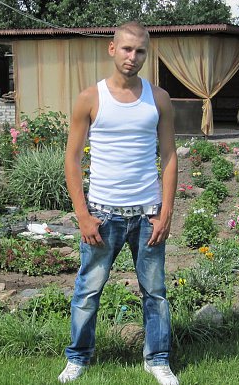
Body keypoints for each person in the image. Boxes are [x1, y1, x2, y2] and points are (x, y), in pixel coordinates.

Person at [59, 21, 179, 385]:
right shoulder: (90, 98)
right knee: (87, 290)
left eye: (140, 51)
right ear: (112, 49)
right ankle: (78, 357)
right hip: (102, 215)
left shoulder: (158, 99)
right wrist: (83, 215)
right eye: (126, 49)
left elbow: (169, 156)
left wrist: (166, 213)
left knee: (155, 293)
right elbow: (72, 159)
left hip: (147, 215)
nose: (133, 57)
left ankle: (157, 359)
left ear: (146, 54)